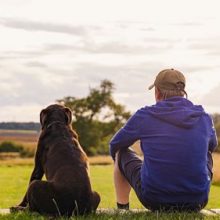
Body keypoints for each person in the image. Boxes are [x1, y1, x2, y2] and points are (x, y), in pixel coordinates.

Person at [109, 68, 218, 212]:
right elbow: (212, 145)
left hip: (154, 200)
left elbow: (115, 144)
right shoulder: (203, 117)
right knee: (206, 153)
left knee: (120, 151)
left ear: (157, 92)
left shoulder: (145, 115)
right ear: (183, 92)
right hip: (197, 201)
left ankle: (122, 209)